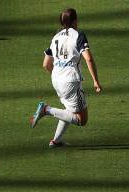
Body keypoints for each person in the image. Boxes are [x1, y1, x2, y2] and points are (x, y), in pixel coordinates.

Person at [30, 8, 102, 148]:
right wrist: (96, 81)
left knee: (68, 110)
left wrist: (58, 75)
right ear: (75, 21)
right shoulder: (78, 35)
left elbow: (46, 64)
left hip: (56, 79)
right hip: (70, 81)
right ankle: (46, 110)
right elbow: (89, 59)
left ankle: (56, 141)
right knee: (81, 120)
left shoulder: (56, 36)